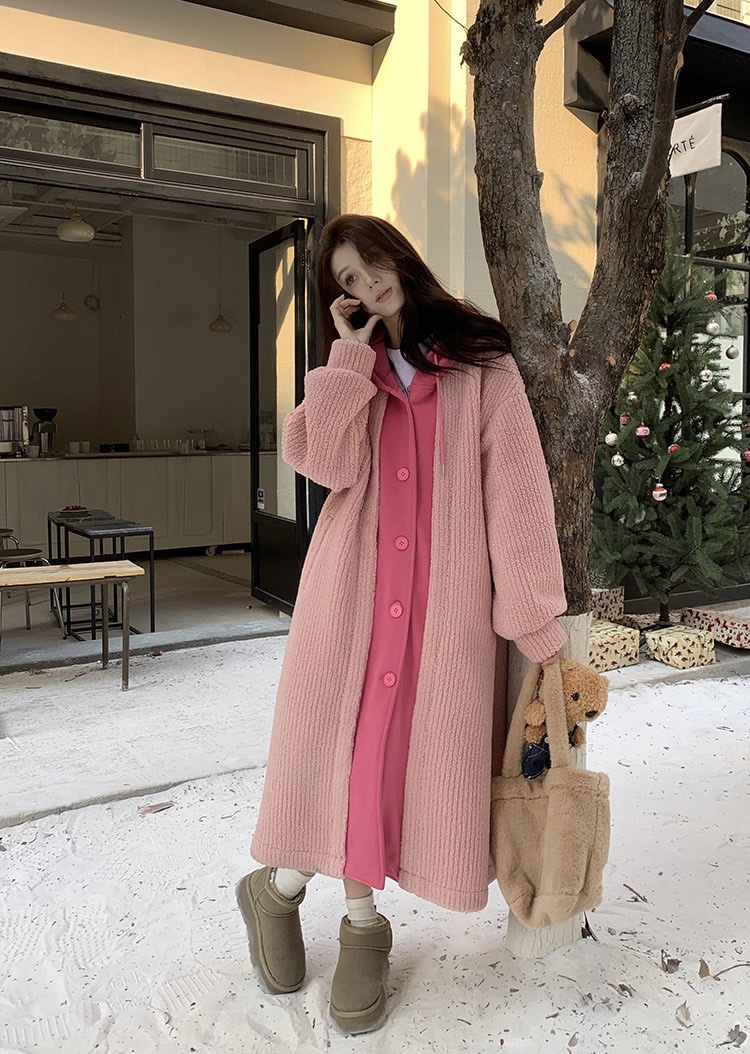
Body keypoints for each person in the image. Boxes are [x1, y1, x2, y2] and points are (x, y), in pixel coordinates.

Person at [236, 214, 568, 1034]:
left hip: (443, 607)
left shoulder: (480, 364)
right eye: (347, 280)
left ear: (400, 257)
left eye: (372, 263)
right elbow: (325, 465)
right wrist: (348, 361)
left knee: (390, 766)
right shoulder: (355, 372)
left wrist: (532, 615)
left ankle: (286, 892)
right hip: (350, 600)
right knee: (344, 756)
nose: (367, 283)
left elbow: (517, 490)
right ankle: (356, 922)